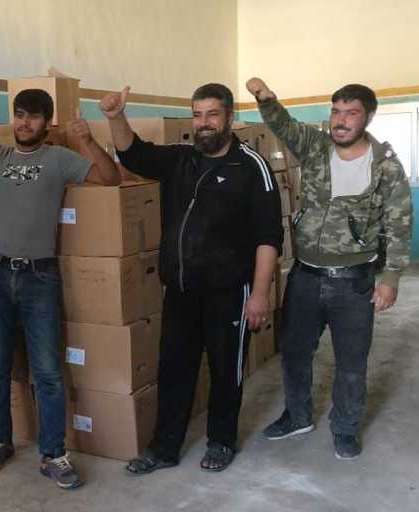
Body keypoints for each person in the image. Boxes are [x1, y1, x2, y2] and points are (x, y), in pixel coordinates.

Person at [0, 77, 121, 489]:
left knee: (48, 372)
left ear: (45, 122)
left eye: (33, 116)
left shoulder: (59, 159)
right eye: (19, 115)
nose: (24, 122)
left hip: (39, 276)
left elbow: (110, 179)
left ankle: (53, 454)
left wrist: (88, 140)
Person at [100, 83, 283, 474]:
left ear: (229, 117)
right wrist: (116, 116)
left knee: (224, 371)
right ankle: (164, 449)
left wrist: (261, 293)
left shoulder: (252, 167)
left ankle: (221, 441)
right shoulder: (180, 160)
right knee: (174, 369)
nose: (203, 123)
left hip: (230, 292)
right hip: (181, 290)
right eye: (197, 115)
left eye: (212, 114)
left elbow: (269, 237)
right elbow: (133, 154)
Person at [246, 77, 413, 460]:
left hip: (354, 281)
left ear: (368, 117)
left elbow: (400, 222)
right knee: (293, 351)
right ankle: (298, 415)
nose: (341, 120)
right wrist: (266, 99)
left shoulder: (385, 166)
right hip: (305, 275)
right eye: (336, 111)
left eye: (351, 113)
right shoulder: (317, 148)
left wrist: (391, 277)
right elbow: (283, 126)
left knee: (351, 361)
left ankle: (346, 428)